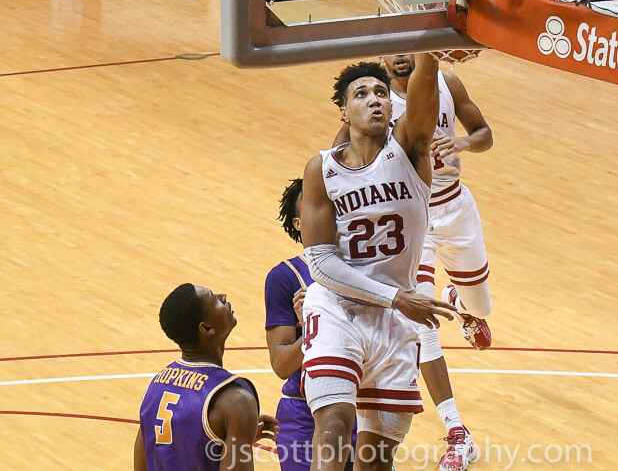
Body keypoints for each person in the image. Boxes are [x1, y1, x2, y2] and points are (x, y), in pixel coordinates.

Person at [333, 52, 493, 471]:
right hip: (411, 218)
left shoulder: (448, 85)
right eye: (395, 46)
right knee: (421, 325)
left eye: (412, 45)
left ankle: (461, 301)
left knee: (481, 308)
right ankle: (458, 433)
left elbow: (484, 133)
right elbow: (338, 162)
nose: (402, 54)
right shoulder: (373, 106)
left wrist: (462, 141)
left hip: (456, 207)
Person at [301, 54, 457, 471]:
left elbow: (425, 89)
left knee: (375, 460)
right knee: (334, 425)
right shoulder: (321, 169)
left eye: (382, 93)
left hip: (396, 320)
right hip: (339, 308)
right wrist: (396, 298)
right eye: (362, 93)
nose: (375, 100)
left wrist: (431, 47)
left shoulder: (410, 148)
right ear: (344, 111)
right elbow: (319, 263)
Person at [264, 178, 357, 471]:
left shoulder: (362, 268)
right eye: (314, 206)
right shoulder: (285, 277)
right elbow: (281, 364)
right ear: (298, 223)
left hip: (360, 407)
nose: (325, 212)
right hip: (304, 413)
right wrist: (315, 330)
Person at [134, 283, 279, 471]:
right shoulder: (235, 401)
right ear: (207, 328)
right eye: (214, 299)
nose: (223, 296)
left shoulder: (156, 386)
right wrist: (238, 430)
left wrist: (230, 438)